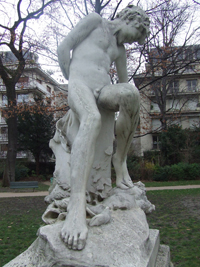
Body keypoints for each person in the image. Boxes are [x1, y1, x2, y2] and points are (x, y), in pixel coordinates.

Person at [57, 5, 150, 251]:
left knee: (132, 94)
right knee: (92, 119)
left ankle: (120, 163)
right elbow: (64, 47)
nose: (132, 42)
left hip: (102, 91)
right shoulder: (95, 21)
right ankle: (76, 206)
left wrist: (115, 93)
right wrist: (72, 78)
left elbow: (123, 83)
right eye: (135, 35)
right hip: (79, 84)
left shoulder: (120, 51)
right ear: (130, 20)